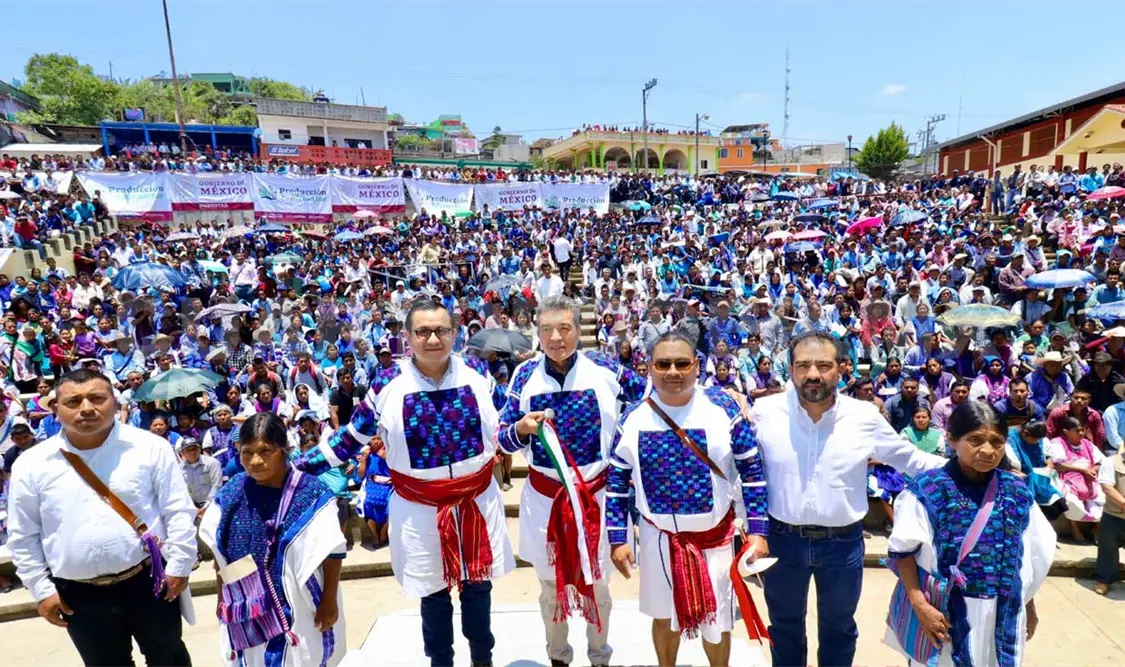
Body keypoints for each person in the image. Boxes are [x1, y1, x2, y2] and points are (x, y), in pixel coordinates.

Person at [293, 300, 514, 667]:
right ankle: (440, 661)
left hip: (477, 501)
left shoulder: (477, 371)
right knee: (433, 594)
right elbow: (350, 439)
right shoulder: (387, 383)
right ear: (408, 337)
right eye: (423, 331)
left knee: (478, 588)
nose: (433, 339)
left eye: (441, 330)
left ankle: (482, 660)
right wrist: (298, 467)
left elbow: (508, 418)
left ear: (455, 335)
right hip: (419, 509)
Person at [751, 331, 945, 667]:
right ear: (791, 369)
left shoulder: (864, 417)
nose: (813, 374)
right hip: (782, 542)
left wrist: (969, 467)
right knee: (783, 628)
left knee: (839, 630)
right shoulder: (764, 412)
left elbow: (910, 458)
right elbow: (739, 467)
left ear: (842, 369)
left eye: (824, 365)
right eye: (803, 365)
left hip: (842, 545)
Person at [6, 368, 197, 667]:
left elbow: (178, 511)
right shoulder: (31, 465)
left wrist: (180, 564)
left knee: (169, 658)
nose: (86, 408)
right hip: (78, 594)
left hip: (149, 581)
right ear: (55, 409)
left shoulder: (150, 448)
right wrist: (42, 591)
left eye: (97, 398)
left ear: (115, 402)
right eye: (74, 401)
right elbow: (23, 535)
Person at [497, 296, 648, 667]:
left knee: (599, 583)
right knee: (550, 586)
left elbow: (649, 397)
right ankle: (558, 657)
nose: (556, 337)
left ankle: (600, 657)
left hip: (597, 497)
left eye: (564, 328)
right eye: (547, 329)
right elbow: (500, 437)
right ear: (537, 333)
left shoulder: (605, 367)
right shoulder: (524, 376)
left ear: (578, 331)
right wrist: (520, 428)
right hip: (546, 499)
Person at [606, 331, 768, 667]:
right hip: (658, 539)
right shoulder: (632, 418)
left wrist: (758, 532)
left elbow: (752, 473)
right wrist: (617, 538)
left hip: (715, 540)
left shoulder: (724, 408)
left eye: (682, 363)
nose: (673, 371)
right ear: (649, 368)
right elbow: (617, 484)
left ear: (697, 366)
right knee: (663, 616)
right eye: (663, 364)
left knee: (718, 621)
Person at [884, 401, 1054, 666]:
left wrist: (1028, 605)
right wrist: (921, 607)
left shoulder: (1017, 492)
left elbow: (1029, 559)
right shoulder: (927, 490)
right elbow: (903, 553)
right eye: (975, 440)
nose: (987, 451)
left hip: (1004, 612)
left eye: (996, 442)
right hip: (944, 613)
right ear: (951, 439)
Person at [198, 412, 345, 667]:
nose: (254, 461)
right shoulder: (232, 492)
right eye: (246, 452)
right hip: (248, 603)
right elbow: (220, 554)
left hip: (299, 601)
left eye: (266, 451)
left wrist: (329, 599)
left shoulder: (309, 491)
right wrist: (222, 596)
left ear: (284, 450)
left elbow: (332, 550)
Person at [1047, 415, 1107, 542]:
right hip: (1067, 479)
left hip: (1089, 479)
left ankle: (1097, 528)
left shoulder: (1088, 444)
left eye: (1082, 430)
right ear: (1066, 432)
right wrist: (1082, 470)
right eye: (1077, 430)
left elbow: (1101, 461)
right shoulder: (1058, 443)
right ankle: (1074, 527)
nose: (1081, 433)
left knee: (1105, 497)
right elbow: (1060, 465)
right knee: (1070, 501)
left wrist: (1093, 470)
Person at [1095, 443, 1125, 595]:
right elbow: (1107, 487)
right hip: (1114, 515)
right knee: (1108, 549)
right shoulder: (1111, 462)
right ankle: (1104, 580)